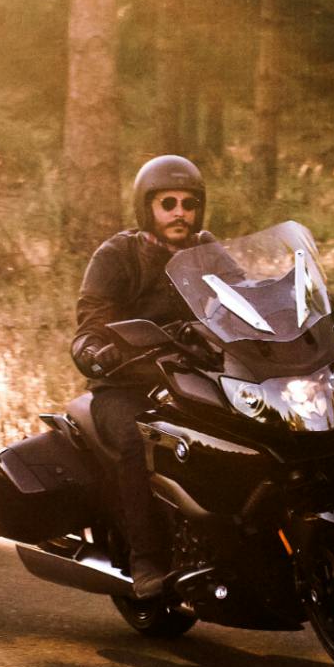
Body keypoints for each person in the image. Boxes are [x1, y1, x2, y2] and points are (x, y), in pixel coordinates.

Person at [73, 154, 215, 599]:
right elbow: (90, 322)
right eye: (167, 202)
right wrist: (99, 350)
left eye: (188, 203)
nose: (179, 212)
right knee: (140, 440)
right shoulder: (118, 254)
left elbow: (248, 302)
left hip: (195, 380)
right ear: (147, 208)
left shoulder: (208, 250)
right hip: (125, 384)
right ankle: (146, 559)